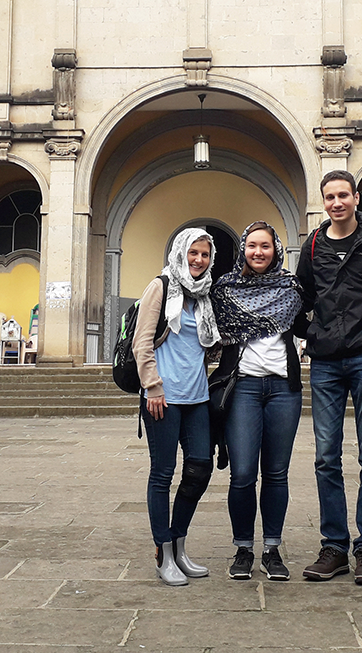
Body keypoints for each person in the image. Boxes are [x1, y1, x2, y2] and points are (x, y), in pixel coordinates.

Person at [295, 170, 362, 585]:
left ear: (356, 198)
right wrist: (312, 334)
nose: (337, 203)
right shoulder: (314, 244)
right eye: (330, 197)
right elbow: (299, 297)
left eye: (343, 195)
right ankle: (334, 546)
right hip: (326, 364)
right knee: (325, 456)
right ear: (324, 202)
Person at [210, 221, 305, 581]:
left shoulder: (291, 289)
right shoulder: (225, 290)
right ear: (243, 249)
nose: (258, 252)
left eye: (265, 246)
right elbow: (208, 330)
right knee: (243, 473)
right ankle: (243, 548)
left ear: (276, 250)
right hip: (244, 388)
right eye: (251, 246)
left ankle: (272, 549)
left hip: (284, 390)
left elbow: (311, 323)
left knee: (277, 474)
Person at [133, 228, 221, 586]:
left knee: (200, 468)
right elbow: (142, 343)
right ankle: (163, 551)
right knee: (163, 473)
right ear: (180, 253)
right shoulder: (162, 286)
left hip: (197, 396)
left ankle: (179, 543)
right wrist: (153, 387)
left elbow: (205, 346)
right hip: (163, 398)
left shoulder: (203, 295)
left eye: (204, 254)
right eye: (193, 253)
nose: (198, 260)